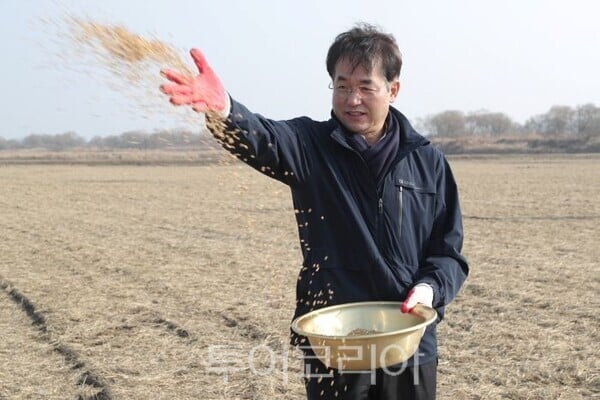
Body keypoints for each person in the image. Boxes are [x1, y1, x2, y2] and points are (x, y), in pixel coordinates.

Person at [160, 22, 469, 400]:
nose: (352, 99)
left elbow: (447, 252)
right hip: (335, 340)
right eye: (342, 86)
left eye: (365, 87)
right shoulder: (311, 146)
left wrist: (428, 289)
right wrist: (223, 108)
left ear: (393, 89)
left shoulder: (427, 161)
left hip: (409, 343)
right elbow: (263, 137)